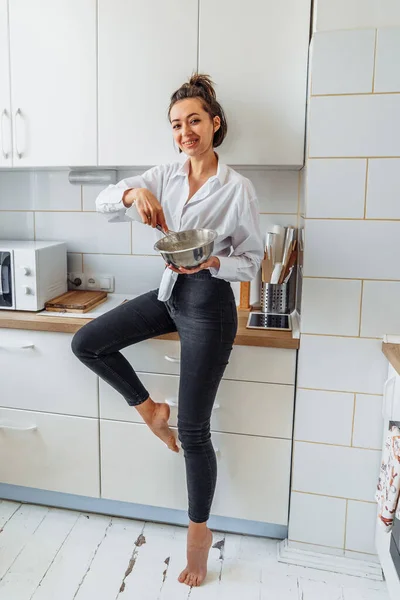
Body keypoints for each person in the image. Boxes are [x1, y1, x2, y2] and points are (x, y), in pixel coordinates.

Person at [71, 73, 263, 587]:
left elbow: (253, 260)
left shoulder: (237, 187)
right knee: (87, 342)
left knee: (196, 432)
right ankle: (151, 410)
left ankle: (198, 543)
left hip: (209, 305)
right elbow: (104, 200)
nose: (185, 132)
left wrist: (213, 265)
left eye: (194, 120)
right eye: (177, 124)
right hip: (167, 294)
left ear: (215, 123)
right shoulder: (167, 174)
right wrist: (133, 193)